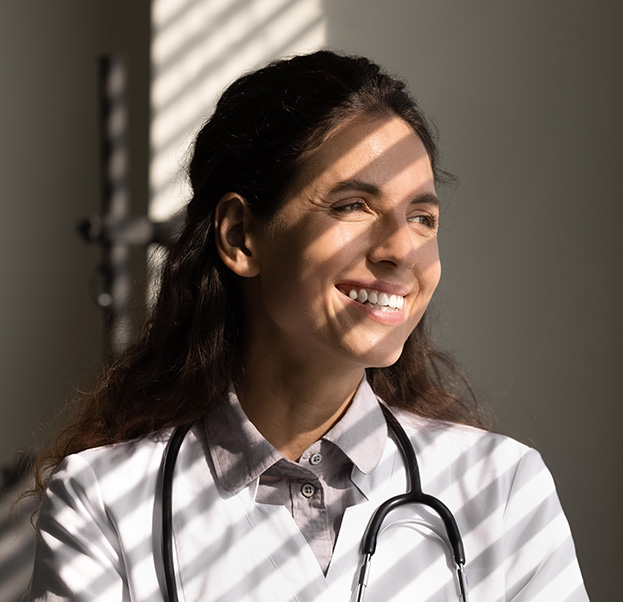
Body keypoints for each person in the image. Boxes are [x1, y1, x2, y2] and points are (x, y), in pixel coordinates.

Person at [26, 50, 589, 601]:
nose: (401, 249)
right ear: (240, 236)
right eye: (352, 205)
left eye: (422, 218)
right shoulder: (105, 502)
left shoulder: (501, 487)